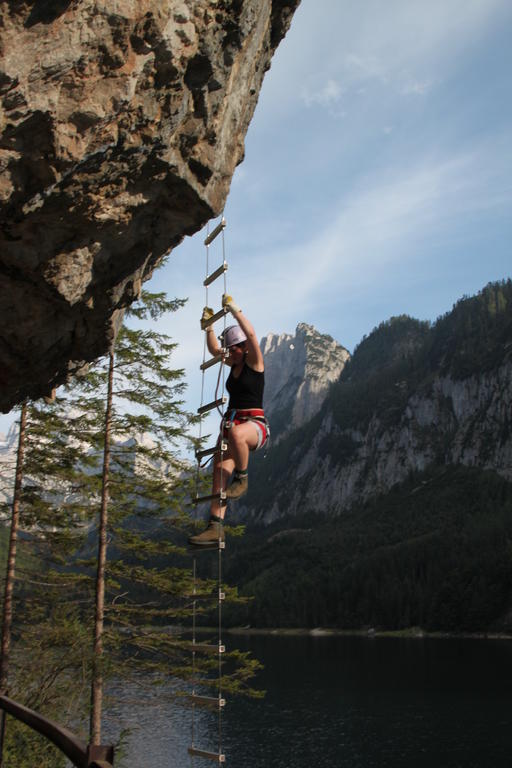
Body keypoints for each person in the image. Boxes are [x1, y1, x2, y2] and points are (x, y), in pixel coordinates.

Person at [189, 294, 269, 547]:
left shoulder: (254, 362)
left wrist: (235, 311)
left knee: (235, 435)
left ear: (243, 347)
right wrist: (209, 327)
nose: (229, 351)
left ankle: (243, 478)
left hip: (254, 428)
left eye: (233, 347)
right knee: (219, 471)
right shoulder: (232, 362)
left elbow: (253, 335)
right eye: (229, 347)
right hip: (233, 425)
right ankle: (215, 526)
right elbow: (214, 349)